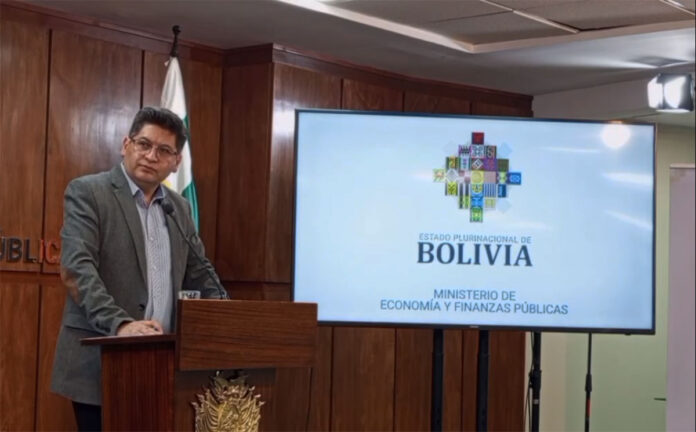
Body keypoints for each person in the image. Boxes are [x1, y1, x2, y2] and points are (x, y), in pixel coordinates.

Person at [51, 107, 226, 431]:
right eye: (144, 144)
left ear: (177, 161)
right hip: (102, 362)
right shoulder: (89, 192)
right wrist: (120, 325)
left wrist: (228, 316)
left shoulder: (179, 207)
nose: (150, 156)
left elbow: (200, 272)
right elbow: (77, 269)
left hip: (164, 366)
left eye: (164, 150)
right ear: (126, 144)